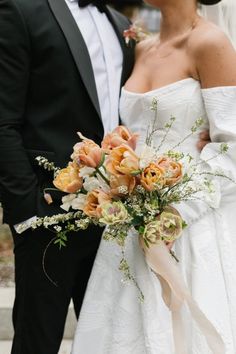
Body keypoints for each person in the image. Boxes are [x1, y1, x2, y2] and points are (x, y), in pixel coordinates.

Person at [72, 0, 236, 353]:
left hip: (190, 223)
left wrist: (174, 216)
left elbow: (232, 150)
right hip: (128, 224)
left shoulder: (211, 43)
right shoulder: (141, 48)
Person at [0, 1, 135, 353]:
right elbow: (3, 120)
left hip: (116, 218)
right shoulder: (21, 11)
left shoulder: (121, 24)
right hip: (49, 216)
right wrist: (28, 213)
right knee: (38, 341)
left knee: (108, 341)